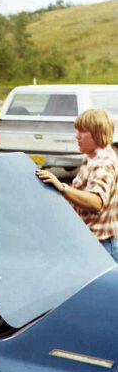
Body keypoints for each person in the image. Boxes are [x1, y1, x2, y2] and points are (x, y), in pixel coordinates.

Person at [36, 108, 118, 262]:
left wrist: (62, 188)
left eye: (82, 131)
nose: (77, 136)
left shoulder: (102, 164)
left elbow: (96, 202)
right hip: (93, 245)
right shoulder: (93, 157)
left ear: (97, 133)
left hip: (101, 249)